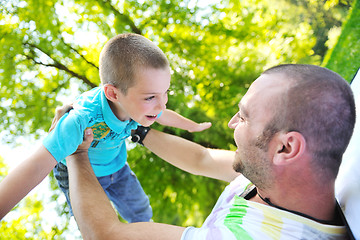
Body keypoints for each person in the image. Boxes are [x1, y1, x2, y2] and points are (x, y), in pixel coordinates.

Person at [65, 64, 355, 239]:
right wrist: (137, 129)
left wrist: (75, 153)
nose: (231, 123)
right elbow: (200, 158)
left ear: (285, 147)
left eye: (243, 117)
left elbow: (107, 234)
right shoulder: (280, 177)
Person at [0, 33, 211, 221]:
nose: (161, 103)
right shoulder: (81, 119)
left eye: (165, 93)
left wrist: (192, 126)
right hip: (78, 172)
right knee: (95, 225)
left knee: (141, 212)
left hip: (116, 168)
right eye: (151, 97)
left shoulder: (140, 106)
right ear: (113, 94)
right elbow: (35, 167)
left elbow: (166, 116)